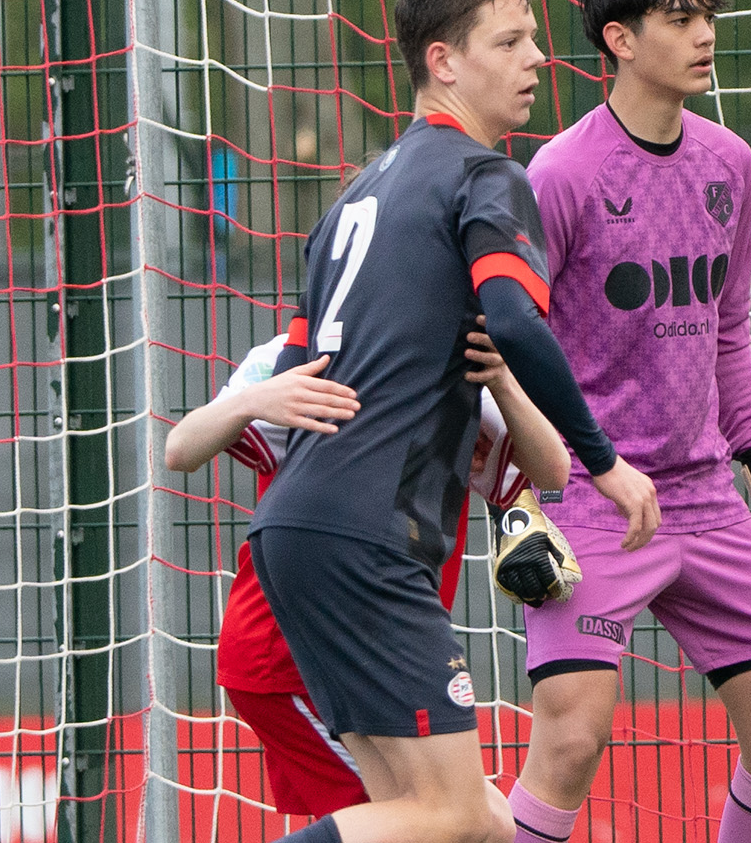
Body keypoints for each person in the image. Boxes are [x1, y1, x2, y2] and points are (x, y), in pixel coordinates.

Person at [248, 0, 661, 843]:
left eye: (535, 40)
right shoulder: (484, 176)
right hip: (367, 536)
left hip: (303, 526)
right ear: (443, 61)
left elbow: (296, 372)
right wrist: (608, 463)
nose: (537, 59)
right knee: (445, 813)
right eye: (509, 42)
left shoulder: (355, 194)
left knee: (473, 823)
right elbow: (513, 317)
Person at [506, 0, 751, 843]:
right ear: (620, 39)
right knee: (572, 741)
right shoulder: (561, 175)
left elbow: (727, 333)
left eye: (707, 18)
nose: (705, 36)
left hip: (705, 498)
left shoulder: (729, 161)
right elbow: (512, 343)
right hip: (596, 500)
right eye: (680, 20)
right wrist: (531, 485)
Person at [162, 330, 568, 819]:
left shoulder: (458, 359)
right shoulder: (299, 353)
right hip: (295, 657)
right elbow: (180, 449)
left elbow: (547, 471)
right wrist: (252, 401)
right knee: (446, 819)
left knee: (469, 822)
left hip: (384, 654)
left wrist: (522, 504)